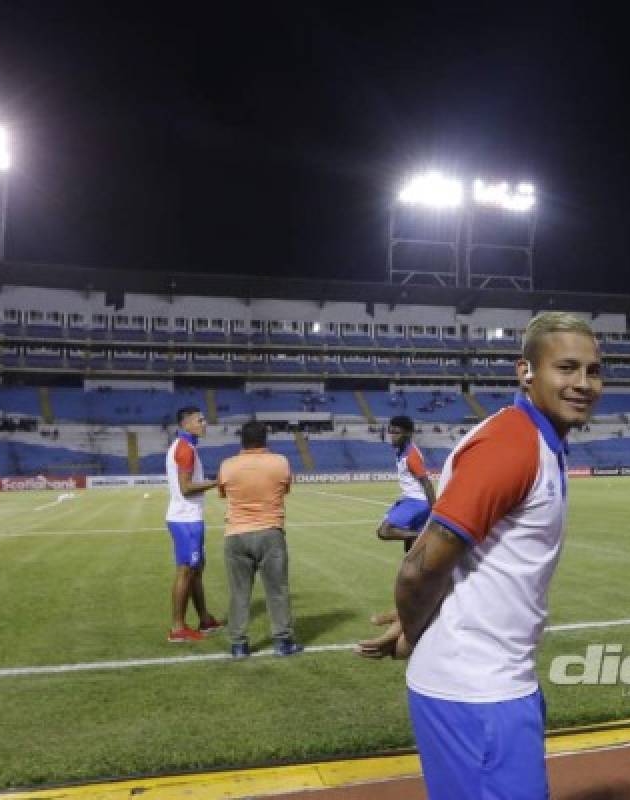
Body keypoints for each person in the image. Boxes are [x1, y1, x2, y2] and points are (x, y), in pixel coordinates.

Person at [358, 311, 603, 800]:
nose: (583, 383)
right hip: (476, 691)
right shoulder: (511, 444)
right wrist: (411, 628)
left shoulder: (539, 441)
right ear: (526, 371)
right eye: (567, 368)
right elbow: (418, 568)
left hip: (498, 682)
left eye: (592, 370)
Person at [216, 420, 302, 659]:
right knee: (277, 590)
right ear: (266, 439)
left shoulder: (227, 465)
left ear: (241, 439)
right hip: (270, 532)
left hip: (236, 534)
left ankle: (238, 645)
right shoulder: (280, 462)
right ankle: (283, 642)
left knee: (239, 592)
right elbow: (284, 490)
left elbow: (223, 493)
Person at [164, 406, 223, 642]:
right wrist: (216, 482)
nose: (204, 423)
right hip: (186, 519)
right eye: (200, 420)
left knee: (196, 570)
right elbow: (187, 488)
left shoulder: (186, 447)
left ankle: (205, 619)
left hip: (188, 517)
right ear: (186, 424)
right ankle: (178, 628)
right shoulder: (185, 449)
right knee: (186, 571)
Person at [375, 415, 436, 553]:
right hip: (412, 500)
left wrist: (435, 511)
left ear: (408, 434)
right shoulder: (401, 449)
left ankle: (427, 536)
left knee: (384, 531)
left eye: (397, 432)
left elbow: (427, 483)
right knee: (410, 549)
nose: (392, 436)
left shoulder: (411, 456)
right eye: (391, 431)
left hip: (416, 501)